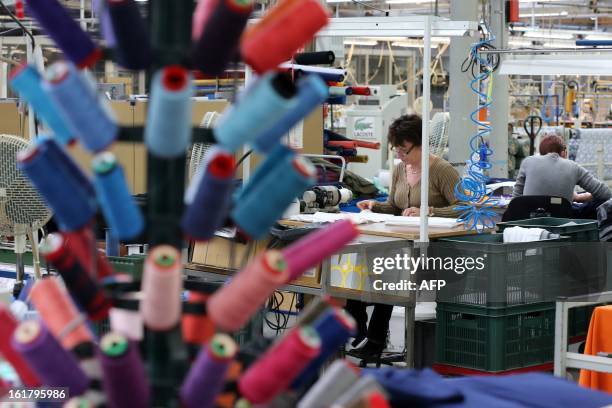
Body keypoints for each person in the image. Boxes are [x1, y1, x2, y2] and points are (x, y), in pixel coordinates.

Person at [347, 114, 461, 359]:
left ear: (420, 144)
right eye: (396, 149)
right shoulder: (399, 170)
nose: (399, 154)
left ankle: (376, 339)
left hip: (434, 254)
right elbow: (394, 206)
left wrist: (429, 211)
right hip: (403, 248)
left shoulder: (442, 170)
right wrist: (373, 206)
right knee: (357, 266)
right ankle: (359, 330)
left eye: (404, 149)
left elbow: (465, 207)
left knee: (389, 272)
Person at [512, 135, 612, 218]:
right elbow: (606, 194)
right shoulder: (573, 167)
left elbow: (516, 198)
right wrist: (584, 197)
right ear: (563, 152)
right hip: (562, 218)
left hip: (529, 217)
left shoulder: (527, 162)